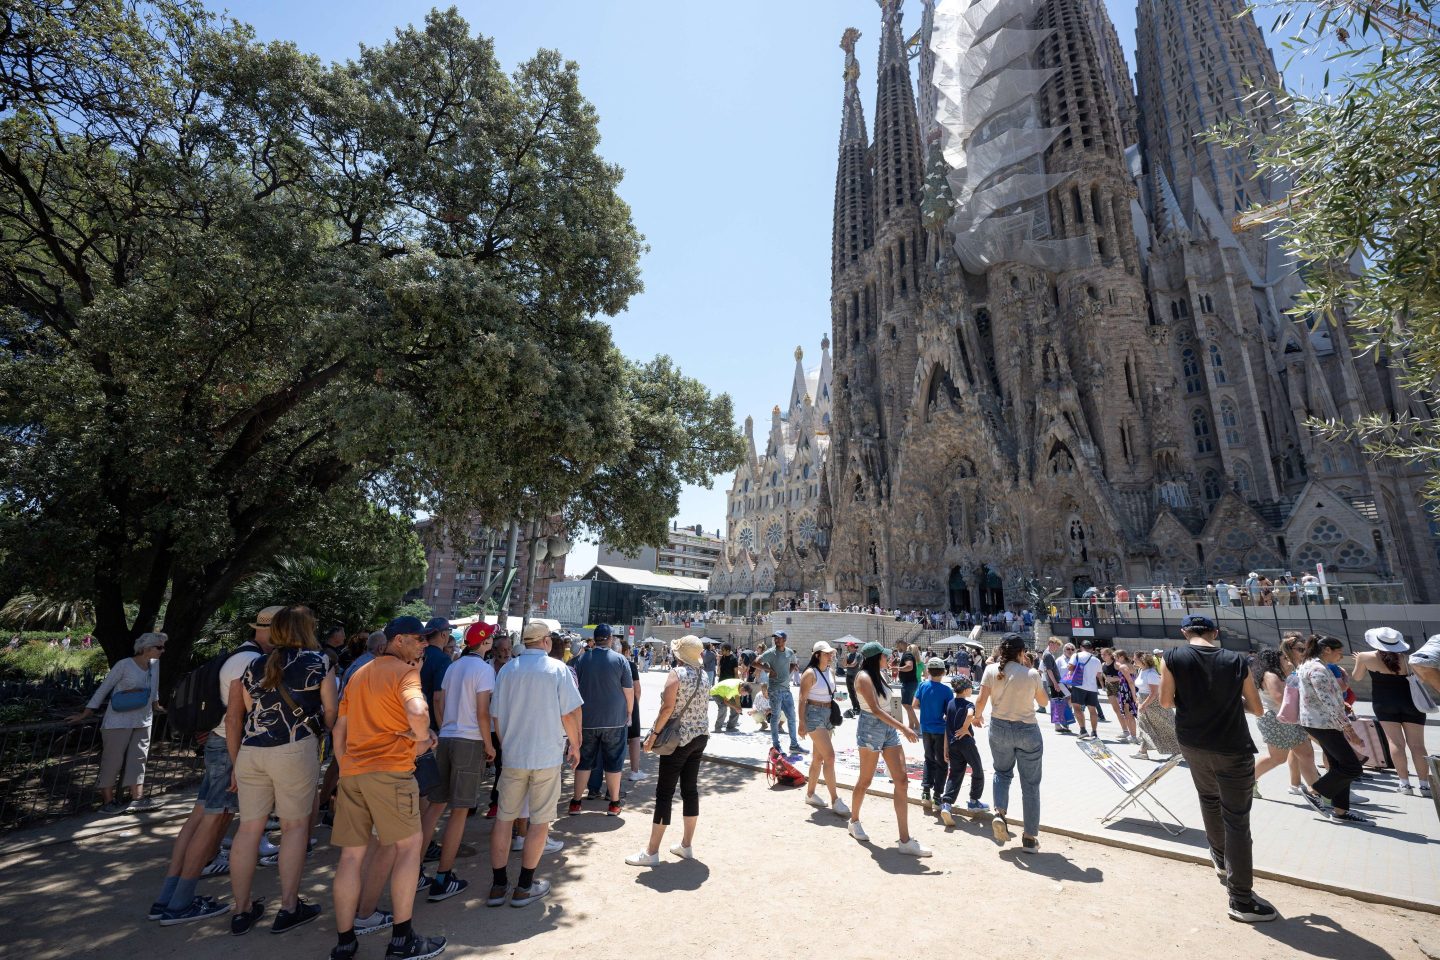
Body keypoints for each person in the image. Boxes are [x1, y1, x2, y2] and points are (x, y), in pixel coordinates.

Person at [330, 614, 446, 960]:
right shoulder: (405, 672)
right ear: (398, 641)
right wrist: (424, 739)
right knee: (409, 850)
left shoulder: (359, 673)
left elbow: (339, 730)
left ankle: (345, 941)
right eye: (418, 638)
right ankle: (402, 938)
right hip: (392, 772)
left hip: (354, 772)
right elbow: (418, 710)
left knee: (351, 857)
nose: (424, 644)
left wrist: (345, 768)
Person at [148, 610, 274, 925]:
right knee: (212, 819)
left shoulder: (238, 655)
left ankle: (167, 897)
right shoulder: (251, 662)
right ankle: (180, 904)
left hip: (218, 743)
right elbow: (237, 718)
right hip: (230, 746)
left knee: (201, 816)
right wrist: (238, 760)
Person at [227, 606, 336, 936]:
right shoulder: (319, 663)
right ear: (306, 629)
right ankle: (289, 906)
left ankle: (241, 909)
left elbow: (237, 718)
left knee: (248, 830)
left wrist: (235, 764)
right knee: (294, 829)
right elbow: (331, 713)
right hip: (294, 750)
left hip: (251, 753)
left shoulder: (253, 666)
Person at [1159, 614, 1275, 923]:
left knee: (1208, 799)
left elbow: (1166, 702)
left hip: (1192, 742)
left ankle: (1221, 858)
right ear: (1215, 632)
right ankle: (1241, 899)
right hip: (1231, 745)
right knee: (1236, 819)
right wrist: (1229, 700)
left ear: (1184, 632)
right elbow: (1258, 708)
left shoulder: (1171, 657)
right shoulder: (1235, 660)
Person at [488, 621, 583, 907]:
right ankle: (525, 886)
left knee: (505, 819)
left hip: (514, 754)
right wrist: (576, 744)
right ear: (544, 641)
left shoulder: (507, 670)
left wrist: (507, 744)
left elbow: (496, 717)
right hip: (545, 755)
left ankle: (498, 885)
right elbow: (570, 712)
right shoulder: (557, 670)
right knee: (540, 821)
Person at [423, 620, 497, 903]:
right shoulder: (483, 670)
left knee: (435, 805)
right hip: (470, 740)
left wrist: (444, 728)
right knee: (459, 810)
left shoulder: (453, 666)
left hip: (449, 736)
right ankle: (443, 877)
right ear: (485, 642)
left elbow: (438, 701)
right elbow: (482, 712)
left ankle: (415, 870)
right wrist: (489, 745)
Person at [626, 636, 712, 865]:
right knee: (690, 790)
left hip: (677, 739)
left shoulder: (677, 674)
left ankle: (652, 852)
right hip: (700, 736)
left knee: (665, 792)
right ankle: (686, 844)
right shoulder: (705, 676)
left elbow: (667, 709)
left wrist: (652, 736)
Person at [846, 642, 929, 856]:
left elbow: (888, 704)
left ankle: (905, 839)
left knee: (901, 780)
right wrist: (904, 727)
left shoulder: (879, 674)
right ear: (876, 658)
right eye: (884, 656)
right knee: (865, 780)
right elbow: (873, 709)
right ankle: (854, 821)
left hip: (887, 727)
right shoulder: (864, 677)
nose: (888, 658)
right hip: (871, 728)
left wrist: (898, 724)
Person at [70, 632, 166, 814]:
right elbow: (104, 688)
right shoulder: (124, 665)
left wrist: (156, 705)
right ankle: (108, 801)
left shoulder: (155, 664)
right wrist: (86, 713)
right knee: (113, 761)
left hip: (144, 719)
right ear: (146, 648)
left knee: (139, 758)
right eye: (159, 647)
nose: (163, 651)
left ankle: (137, 798)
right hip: (118, 720)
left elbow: (155, 688)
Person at [972, 633, 1048, 853]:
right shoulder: (1031, 673)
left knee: (1002, 773)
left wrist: (976, 717)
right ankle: (1029, 837)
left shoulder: (991, 670)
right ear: (1021, 652)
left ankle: (1000, 813)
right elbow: (1043, 702)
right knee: (1030, 785)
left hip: (999, 727)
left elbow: (980, 700)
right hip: (1026, 729)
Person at [1294, 635, 1368, 824]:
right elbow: (1329, 704)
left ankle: (1341, 811)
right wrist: (1351, 732)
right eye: (1339, 652)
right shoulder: (1317, 669)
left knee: (1340, 766)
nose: (1341, 656)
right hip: (1323, 723)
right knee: (1352, 767)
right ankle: (1314, 791)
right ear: (1327, 649)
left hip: (1319, 722)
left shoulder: (1308, 664)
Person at [1351, 627, 1431, 797]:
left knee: (1395, 743)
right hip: (1411, 703)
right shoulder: (1409, 658)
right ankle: (1425, 786)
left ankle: (1405, 784)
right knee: (1417, 745)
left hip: (1384, 703)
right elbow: (1422, 679)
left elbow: (1357, 677)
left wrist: (1358, 660)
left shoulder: (1365, 657)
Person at [568, 623, 634, 817]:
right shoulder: (621, 660)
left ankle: (576, 802)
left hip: (586, 720)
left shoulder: (579, 660)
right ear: (611, 639)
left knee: (584, 762)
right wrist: (629, 713)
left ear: (594, 638)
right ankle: (614, 803)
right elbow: (628, 692)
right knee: (614, 762)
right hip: (614, 719)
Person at [1250, 648, 1319, 798]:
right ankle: (1247, 781)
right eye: (1284, 658)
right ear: (1275, 660)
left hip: (1289, 718)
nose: (1287, 661)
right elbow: (1280, 699)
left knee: (1306, 754)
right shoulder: (1270, 676)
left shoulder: (1279, 674)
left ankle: (1317, 792)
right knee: (1277, 758)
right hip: (1275, 720)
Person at [797, 641, 849, 818]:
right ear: (817, 654)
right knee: (830, 757)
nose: (830, 655)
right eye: (827, 653)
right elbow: (802, 699)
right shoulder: (810, 673)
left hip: (827, 713)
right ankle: (835, 799)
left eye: (830, 653)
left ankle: (810, 794)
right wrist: (801, 723)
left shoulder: (830, 671)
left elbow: (830, 692)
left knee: (818, 758)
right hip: (813, 714)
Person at [938, 676, 986, 825]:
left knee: (955, 774)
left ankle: (946, 804)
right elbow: (971, 714)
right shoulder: (968, 703)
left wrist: (945, 747)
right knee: (977, 770)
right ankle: (973, 801)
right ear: (965, 690)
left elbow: (947, 727)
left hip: (953, 744)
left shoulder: (950, 704)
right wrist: (966, 728)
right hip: (966, 743)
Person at [914, 657, 953, 812]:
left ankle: (925, 792)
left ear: (928, 671)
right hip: (940, 730)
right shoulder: (946, 690)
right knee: (942, 763)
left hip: (926, 729)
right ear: (943, 672)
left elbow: (914, 704)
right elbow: (949, 712)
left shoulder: (922, 686)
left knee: (928, 759)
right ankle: (937, 795)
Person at [757, 631, 803, 754]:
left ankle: (794, 745)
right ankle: (776, 745)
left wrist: (788, 673)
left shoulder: (789, 652)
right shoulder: (770, 653)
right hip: (775, 690)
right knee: (775, 717)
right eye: (775, 638)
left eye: (778, 638)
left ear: (784, 639)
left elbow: (793, 663)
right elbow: (755, 662)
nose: (776, 640)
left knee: (792, 717)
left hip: (786, 690)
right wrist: (768, 669)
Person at [1133, 652, 1180, 760]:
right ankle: (1142, 751)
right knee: (1144, 726)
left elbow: (1154, 693)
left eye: (1135, 659)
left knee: (1165, 727)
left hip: (1153, 705)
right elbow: (1141, 689)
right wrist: (1137, 699)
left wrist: (1143, 705)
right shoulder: (1141, 670)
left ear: (1142, 660)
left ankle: (1177, 751)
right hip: (1144, 703)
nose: (1133, 660)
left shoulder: (1151, 674)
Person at [619, 639, 648, 782]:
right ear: (626, 651)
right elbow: (637, 690)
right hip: (630, 705)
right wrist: (635, 705)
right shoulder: (630, 665)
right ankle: (634, 771)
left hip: (612, 706)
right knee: (634, 738)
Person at [1066, 639, 1104, 739]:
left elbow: (1070, 668)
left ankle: (1083, 730)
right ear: (1091, 649)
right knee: (1092, 710)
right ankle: (1094, 732)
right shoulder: (1097, 660)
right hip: (1092, 687)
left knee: (1077, 708)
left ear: (1081, 647)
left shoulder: (1076, 655)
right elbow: (1099, 675)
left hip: (1079, 685)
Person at [1039, 639, 1071, 734]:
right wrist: (1055, 683)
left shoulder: (1047, 654)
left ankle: (1059, 722)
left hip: (1055, 682)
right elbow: (1049, 670)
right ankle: (1059, 722)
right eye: (1056, 646)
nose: (1057, 648)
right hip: (1056, 682)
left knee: (1059, 701)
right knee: (1062, 700)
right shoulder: (1048, 655)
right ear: (1051, 644)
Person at [1110, 650, 1139, 744]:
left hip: (1127, 691)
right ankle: (1132, 735)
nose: (1114, 659)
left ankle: (1133, 736)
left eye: (1115, 657)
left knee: (1128, 714)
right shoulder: (1131, 665)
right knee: (1129, 714)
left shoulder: (1123, 666)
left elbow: (1130, 681)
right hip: (1128, 690)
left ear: (1121, 657)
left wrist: (1134, 696)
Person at [896, 642, 921, 730]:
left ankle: (917, 725)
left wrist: (898, 668)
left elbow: (909, 667)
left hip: (909, 683)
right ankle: (911, 725)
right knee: (909, 705)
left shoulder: (908, 656)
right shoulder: (912, 657)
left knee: (906, 704)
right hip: (912, 683)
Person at [842, 641, 861, 718]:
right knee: (851, 693)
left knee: (857, 693)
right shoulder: (848, 655)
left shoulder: (858, 655)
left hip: (855, 676)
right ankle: (855, 707)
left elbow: (854, 664)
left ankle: (859, 707)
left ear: (853, 647)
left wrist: (847, 665)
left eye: (849, 646)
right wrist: (846, 657)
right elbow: (843, 665)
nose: (847, 648)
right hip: (849, 675)